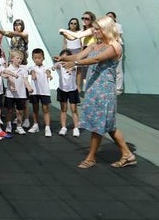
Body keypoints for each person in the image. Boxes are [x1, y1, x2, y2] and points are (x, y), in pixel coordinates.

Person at [56, 15, 136, 169]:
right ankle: (127, 154)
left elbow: (96, 60)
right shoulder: (94, 45)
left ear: (106, 29)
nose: (94, 31)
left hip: (104, 90)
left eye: (98, 28)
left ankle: (91, 157)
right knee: (109, 125)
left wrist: (75, 63)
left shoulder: (114, 46)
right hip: (93, 89)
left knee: (98, 124)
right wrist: (63, 59)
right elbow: (79, 55)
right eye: (94, 28)